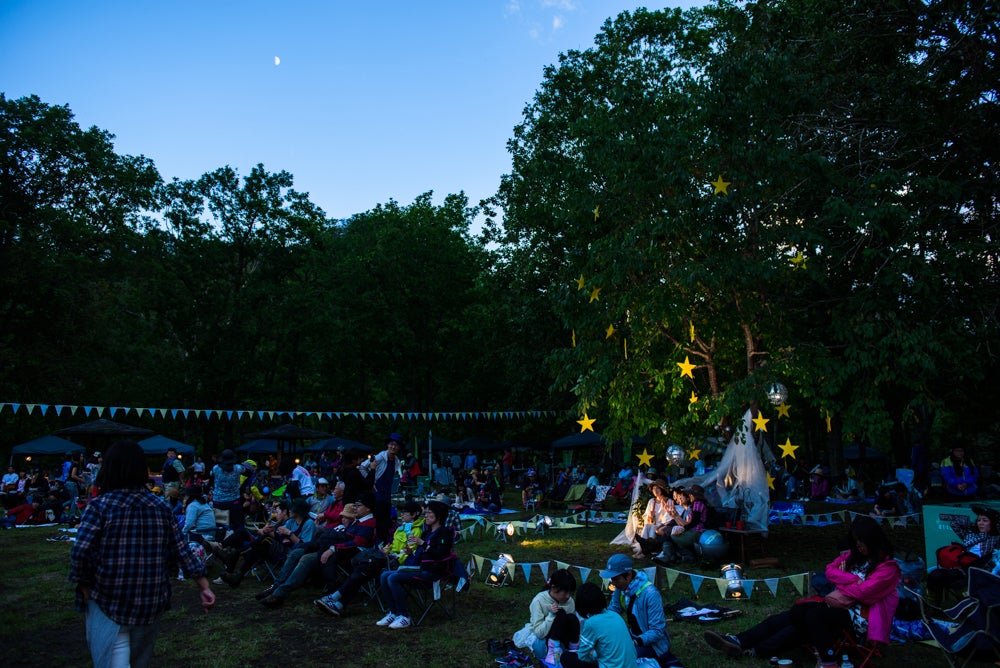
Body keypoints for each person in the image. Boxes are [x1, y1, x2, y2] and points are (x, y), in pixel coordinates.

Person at [69, 440, 215, 668]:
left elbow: (80, 551)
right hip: (150, 600)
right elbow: (181, 550)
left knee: (114, 659)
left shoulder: (100, 507)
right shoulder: (161, 507)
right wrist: (204, 586)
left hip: (109, 598)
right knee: (138, 660)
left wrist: (83, 583)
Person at [704, 515, 899, 666]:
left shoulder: (888, 568)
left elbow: (865, 593)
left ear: (872, 540)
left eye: (861, 541)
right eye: (856, 541)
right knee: (793, 615)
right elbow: (830, 571)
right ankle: (740, 641)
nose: (858, 545)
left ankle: (824, 660)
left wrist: (845, 583)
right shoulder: (854, 558)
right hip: (834, 606)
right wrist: (854, 580)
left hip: (858, 620)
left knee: (810, 617)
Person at [257, 492, 377, 608]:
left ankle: (279, 594)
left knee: (306, 559)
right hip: (329, 549)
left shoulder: (368, 523)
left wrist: (332, 549)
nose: (356, 508)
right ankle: (276, 587)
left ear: (368, 508)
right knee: (296, 553)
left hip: (342, 555)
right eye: (355, 505)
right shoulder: (358, 521)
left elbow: (356, 543)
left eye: (358, 505)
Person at [314, 500, 425, 616]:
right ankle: (338, 603)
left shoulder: (416, 531)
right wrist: (387, 549)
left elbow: (410, 552)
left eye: (405, 512)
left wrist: (393, 556)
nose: (401, 514)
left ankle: (335, 599)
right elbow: (394, 546)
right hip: (386, 558)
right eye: (401, 512)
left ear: (414, 514)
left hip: (398, 562)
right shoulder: (400, 528)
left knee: (364, 570)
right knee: (363, 570)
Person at [376, 500, 454, 629]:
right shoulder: (427, 533)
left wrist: (423, 544)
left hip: (433, 572)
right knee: (384, 575)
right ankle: (393, 613)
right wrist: (410, 553)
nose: (425, 516)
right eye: (425, 512)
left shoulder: (444, 533)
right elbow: (420, 554)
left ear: (439, 516)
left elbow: (440, 554)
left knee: (393, 578)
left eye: (429, 513)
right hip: (419, 568)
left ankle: (404, 616)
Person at [219, 497, 315, 588]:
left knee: (265, 540)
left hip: (292, 553)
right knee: (259, 547)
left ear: (298, 511)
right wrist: (269, 531)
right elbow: (280, 536)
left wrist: (289, 534)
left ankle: (235, 555)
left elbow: (304, 545)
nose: (290, 510)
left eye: (292, 509)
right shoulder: (291, 521)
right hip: (282, 548)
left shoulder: (308, 523)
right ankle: (238, 575)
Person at [601, 553, 673, 666]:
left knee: (622, 658)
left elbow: (657, 631)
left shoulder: (651, 594)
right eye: (612, 579)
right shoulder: (620, 588)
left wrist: (635, 642)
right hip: (632, 636)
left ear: (628, 575)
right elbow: (614, 609)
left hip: (652, 645)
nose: (613, 583)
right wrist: (600, 624)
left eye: (616, 579)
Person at [926, 505, 1000, 606]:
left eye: (985, 520)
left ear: (993, 523)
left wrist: (991, 527)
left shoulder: (996, 539)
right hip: (961, 566)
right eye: (979, 520)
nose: (981, 523)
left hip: (979, 570)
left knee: (954, 578)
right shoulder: (970, 535)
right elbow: (955, 524)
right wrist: (974, 525)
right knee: (935, 574)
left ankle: (969, 606)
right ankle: (933, 606)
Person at [560, 582, 636, 668]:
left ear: (581, 605)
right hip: (631, 665)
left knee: (566, 657)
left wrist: (593, 659)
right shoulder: (615, 615)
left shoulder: (591, 623)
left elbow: (582, 656)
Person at [524, 568, 579, 666]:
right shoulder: (539, 601)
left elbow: (572, 625)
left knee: (572, 618)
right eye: (565, 592)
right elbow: (539, 633)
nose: (568, 596)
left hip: (563, 637)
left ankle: (573, 650)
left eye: (570, 593)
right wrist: (551, 615)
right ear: (553, 588)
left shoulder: (569, 601)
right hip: (545, 638)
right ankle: (553, 652)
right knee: (561, 614)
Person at [360, 432, 403, 543]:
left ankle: (384, 543)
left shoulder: (396, 461)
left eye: (396, 445)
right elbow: (362, 467)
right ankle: (376, 543)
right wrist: (370, 481)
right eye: (391, 444)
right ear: (387, 445)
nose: (393, 447)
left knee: (386, 520)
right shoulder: (380, 457)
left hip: (387, 494)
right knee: (379, 520)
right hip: (377, 493)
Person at [210, 449, 247, 533]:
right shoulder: (238, 468)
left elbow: (211, 475)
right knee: (236, 526)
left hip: (219, 501)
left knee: (221, 526)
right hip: (234, 501)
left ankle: (222, 539)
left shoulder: (215, 468)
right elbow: (247, 471)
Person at [635, 479, 673, 559]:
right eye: (654, 489)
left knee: (653, 527)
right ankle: (642, 548)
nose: (655, 490)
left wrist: (658, 524)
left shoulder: (668, 501)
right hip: (653, 523)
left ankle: (648, 550)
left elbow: (669, 517)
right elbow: (647, 516)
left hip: (663, 525)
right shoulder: (652, 501)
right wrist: (650, 517)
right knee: (647, 526)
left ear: (662, 489)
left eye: (658, 488)